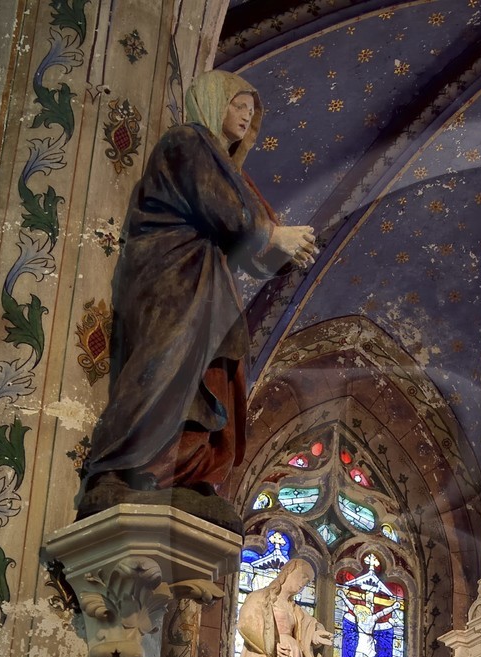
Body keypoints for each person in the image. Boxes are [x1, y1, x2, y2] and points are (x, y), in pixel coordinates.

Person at [78, 69, 317, 519]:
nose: (246, 116)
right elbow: (223, 211)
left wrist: (281, 248)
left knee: (209, 376)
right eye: (238, 105)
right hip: (170, 274)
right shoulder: (187, 142)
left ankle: (183, 474)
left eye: (252, 110)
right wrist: (273, 234)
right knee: (163, 363)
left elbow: (251, 242)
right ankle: (120, 469)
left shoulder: (231, 172)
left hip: (207, 281)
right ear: (212, 102)